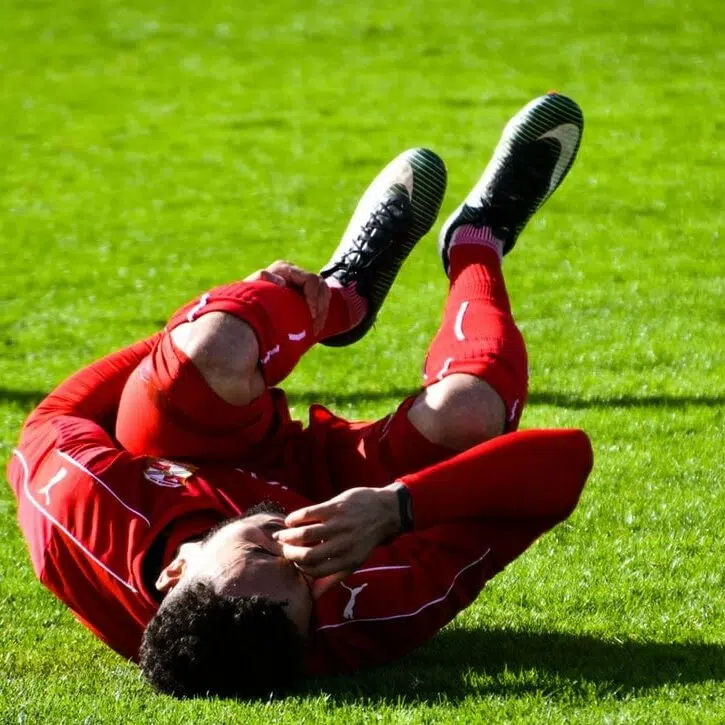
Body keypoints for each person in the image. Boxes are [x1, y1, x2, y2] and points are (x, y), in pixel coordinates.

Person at [6, 94, 593, 699]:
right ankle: (478, 238)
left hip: (181, 449)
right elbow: (564, 460)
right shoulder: (369, 609)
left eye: (265, 552)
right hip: (341, 486)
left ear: (175, 571)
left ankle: (338, 299)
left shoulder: (81, 518)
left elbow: (51, 418)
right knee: (469, 413)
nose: (294, 539)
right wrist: (398, 508)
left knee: (212, 348)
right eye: (306, 576)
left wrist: (234, 318)